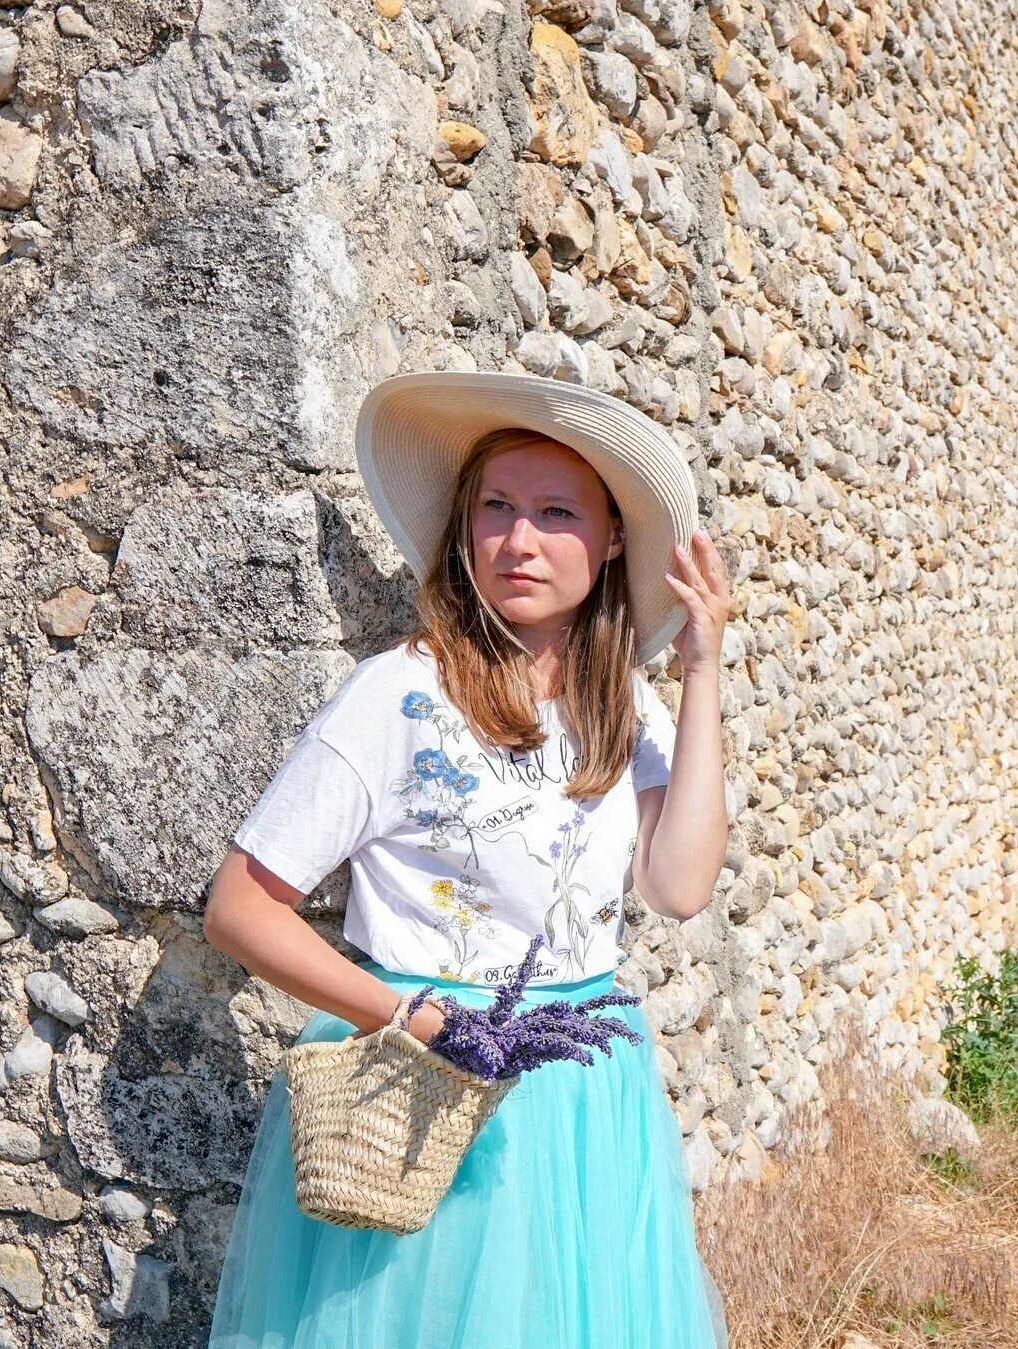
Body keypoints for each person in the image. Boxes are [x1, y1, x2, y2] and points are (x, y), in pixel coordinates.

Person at [201, 370, 734, 1347]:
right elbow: (239, 905)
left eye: (554, 511)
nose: (518, 540)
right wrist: (407, 1013)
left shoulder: (631, 715)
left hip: (581, 1112)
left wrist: (700, 671)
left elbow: (680, 884)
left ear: (612, 537)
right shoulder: (397, 699)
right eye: (496, 506)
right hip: (430, 1094)